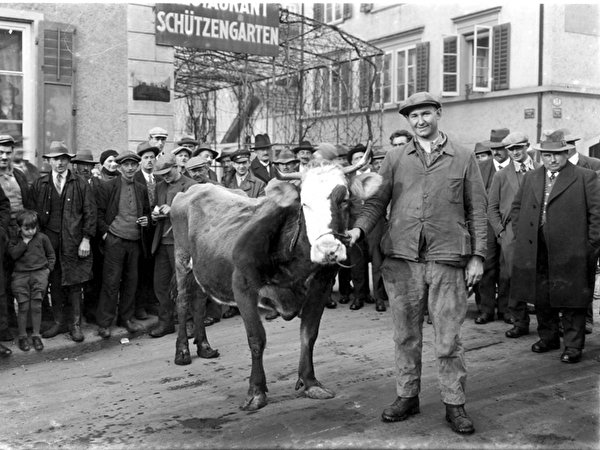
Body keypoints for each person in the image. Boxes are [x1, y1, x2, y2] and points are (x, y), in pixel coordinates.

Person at [347, 92, 487, 434]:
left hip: (448, 259)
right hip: (402, 260)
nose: (420, 121)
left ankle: (454, 404)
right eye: (414, 117)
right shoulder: (394, 158)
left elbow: (478, 211)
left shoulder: (464, 157)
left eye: (426, 114)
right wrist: (357, 231)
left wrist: (478, 257)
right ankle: (407, 396)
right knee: (405, 336)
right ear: (408, 122)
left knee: (449, 339)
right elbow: (375, 204)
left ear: (438, 113)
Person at [510, 129, 600, 364]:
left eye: (557, 154)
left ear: (567, 152)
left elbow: (597, 216)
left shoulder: (585, 177)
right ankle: (548, 338)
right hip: (536, 247)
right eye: (547, 155)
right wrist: (522, 236)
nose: (552, 159)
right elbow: (517, 208)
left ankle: (572, 345)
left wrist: (589, 247)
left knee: (572, 299)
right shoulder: (532, 177)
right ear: (541, 155)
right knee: (542, 296)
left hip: (572, 251)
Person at [29, 141, 96, 343]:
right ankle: (59, 322)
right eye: (56, 159)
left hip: (74, 240)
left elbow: (90, 213)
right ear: (49, 161)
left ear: (69, 161)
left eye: (64, 159)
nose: (60, 163)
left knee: (75, 283)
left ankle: (75, 325)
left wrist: (86, 239)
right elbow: (32, 214)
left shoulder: (80, 183)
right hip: (49, 242)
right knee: (55, 282)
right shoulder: (40, 184)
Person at [486, 132, 540, 334]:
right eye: (511, 149)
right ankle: (519, 322)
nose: (515, 152)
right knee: (513, 277)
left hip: (538, 230)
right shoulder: (501, 175)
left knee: (540, 276)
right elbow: (491, 208)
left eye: (519, 148)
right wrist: (500, 232)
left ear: (527, 146)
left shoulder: (541, 169)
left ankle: (546, 325)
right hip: (510, 232)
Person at [95, 151, 150, 339]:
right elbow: (99, 213)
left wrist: (146, 220)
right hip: (115, 240)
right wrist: (105, 235)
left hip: (134, 241)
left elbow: (148, 213)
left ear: (137, 166)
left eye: (133, 165)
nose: (130, 168)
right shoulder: (109, 186)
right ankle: (104, 323)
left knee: (131, 282)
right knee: (111, 282)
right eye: (126, 165)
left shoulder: (141, 188)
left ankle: (125, 318)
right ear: (119, 167)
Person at [149, 156, 196, 337]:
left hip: (182, 243)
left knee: (184, 285)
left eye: (168, 173)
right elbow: (155, 207)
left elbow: (196, 214)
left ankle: (189, 322)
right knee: (160, 285)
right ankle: (165, 323)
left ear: (177, 167)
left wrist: (174, 208)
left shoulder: (191, 186)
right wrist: (154, 215)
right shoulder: (160, 186)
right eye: (161, 175)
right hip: (162, 242)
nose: (165, 177)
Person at [473, 128, 510, 316]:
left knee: (506, 268)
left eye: (502, 148)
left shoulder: (517, 168)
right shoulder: (481, 167)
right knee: (487, 266)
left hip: (509, 226)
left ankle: (505, 309)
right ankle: (485, 309)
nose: (497, 152)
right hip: (486, 224)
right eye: (494, 148)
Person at [8, 210, 55, 352]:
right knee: (23, 307)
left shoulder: (42, 238)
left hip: (39, 275)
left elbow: (51, 255)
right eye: (26, 229)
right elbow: (13, 255)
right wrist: (24, 243)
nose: (30, 232)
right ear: (19, 227)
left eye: (33, 228)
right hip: (20, 276)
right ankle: (22, 337)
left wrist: (47, 270)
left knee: (36, 306)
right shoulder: (14, 240)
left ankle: (36, 335)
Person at [71, 149, 103, 324]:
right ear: (76, 166)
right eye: (81, 164)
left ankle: (91, 312)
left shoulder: (99, 184)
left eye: (88, 165)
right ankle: (75, 314)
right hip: (76, 235)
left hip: (96, 237)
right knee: (76, 276)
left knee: (94, 276)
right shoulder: (72, 183)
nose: (84, 168)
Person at [134, 142, 162, 320]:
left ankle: (152, 302)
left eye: (152, 157)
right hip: (141, 230)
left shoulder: (159, 179)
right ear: (140, 161)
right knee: (140, 268)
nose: (150, 161)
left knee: (154, 267)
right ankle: (139, 306)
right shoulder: (135, 178)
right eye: (146, 158)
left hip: (156, 228)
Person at [346, 143, 373, 311]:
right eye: (356, 158)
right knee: (357, 261)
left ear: (369, 160)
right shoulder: (348, 180)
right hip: (354, 223)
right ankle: (358, 295)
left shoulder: (378, 176)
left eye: (363, 157)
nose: (360, 161)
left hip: (375, 224)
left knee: (375, 259)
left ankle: (373, 294)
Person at [367, 149, 389, 312]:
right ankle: (373, 296)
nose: (379, 165)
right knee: (371, 261)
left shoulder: (392, 178)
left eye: (383, 162)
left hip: (388, 223)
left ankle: (384, 296)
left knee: (381, 262)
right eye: (376, 162)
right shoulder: (366, 180)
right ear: (371, 165)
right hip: (371, 223)